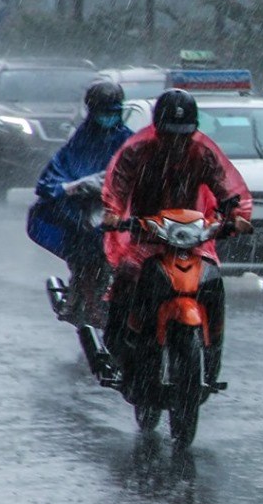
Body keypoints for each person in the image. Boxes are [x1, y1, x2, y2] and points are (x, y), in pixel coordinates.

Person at [100, 89, 253, 384]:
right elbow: (117, 186)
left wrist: (238, 217)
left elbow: (229, 190)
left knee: (212, 284)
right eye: (170, 134)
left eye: (183, 135)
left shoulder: (202, 153)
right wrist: (113, 213)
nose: (177, 142)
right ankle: (119, 344)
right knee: (127, 280)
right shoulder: (137, 151)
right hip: (147, 238)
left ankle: (212, 351)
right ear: (158, 128)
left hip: (190, 238)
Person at [27, 79, 133, 323]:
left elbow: (142, 173)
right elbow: (54, 177)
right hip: (85, 217)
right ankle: (79, 295)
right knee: (83, 254)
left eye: (112, 113)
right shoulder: (80, 141)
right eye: (103, 112)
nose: (107, 117)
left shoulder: (130, 142)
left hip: (120, 217)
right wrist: (73, 188)